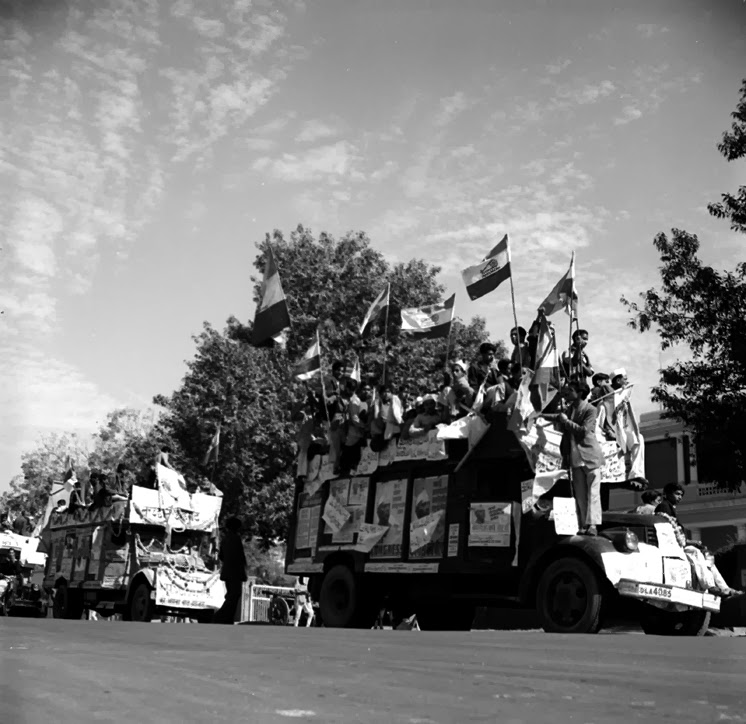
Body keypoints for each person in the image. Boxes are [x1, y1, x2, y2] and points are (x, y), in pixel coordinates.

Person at [547, 381, 605, 536]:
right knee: (580, 495)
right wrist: (537, 415)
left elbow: (583, 431)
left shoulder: (590, 409)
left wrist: (566, 421)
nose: (566, 393)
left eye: (570, 390)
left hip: (590, 457)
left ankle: (592, 525)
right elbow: (557, 417)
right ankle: (583, 524)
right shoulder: (569, 409)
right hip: (574, 458)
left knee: (593, 493)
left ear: (579, 393)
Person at [214, 517, 247, 624]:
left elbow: (221, 556)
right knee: (234, 595)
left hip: (228, 572)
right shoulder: (236, 538)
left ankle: (226, 618)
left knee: (231, 595)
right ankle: (221, 616)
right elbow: (240, 557)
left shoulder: (225, 539)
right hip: (235, 573)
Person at [339, 379, 372, 474]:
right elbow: (355, 419)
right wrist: (365, 426)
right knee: (348, 456)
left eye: (369, 390)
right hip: (353, 434)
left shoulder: (367, 402)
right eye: (365, 389)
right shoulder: (355, 401)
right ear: (360, 390)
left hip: (362, 435)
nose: (367, 392)